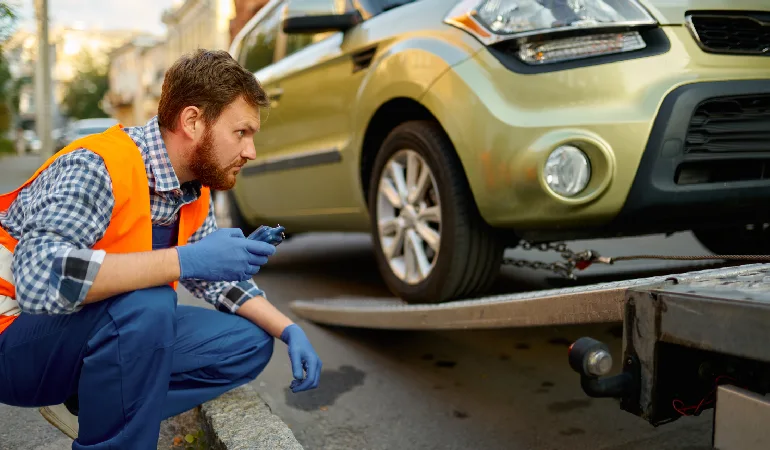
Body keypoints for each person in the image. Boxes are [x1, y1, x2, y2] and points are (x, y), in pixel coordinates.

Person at [0, 49, 322, 449]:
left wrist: (289, 330)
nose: (251, 151)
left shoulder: (192, 189)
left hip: (91, 331)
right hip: (15, 339)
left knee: (249, 343)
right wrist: (184, 260)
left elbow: (217, 282)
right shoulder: (96, 165)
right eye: (241, 132)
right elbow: (40, 277)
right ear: (192, 121)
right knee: (148, 304)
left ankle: (93, 402)